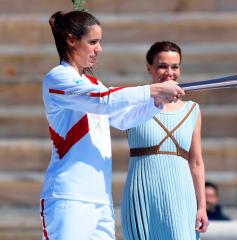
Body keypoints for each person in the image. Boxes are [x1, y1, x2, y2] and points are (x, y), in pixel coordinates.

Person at [40, 11, 184, 240]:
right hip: (69, 198)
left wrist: (156, 102)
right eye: (93, 42)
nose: (99, 49)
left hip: (101, 199)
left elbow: (124, 118)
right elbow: (104, 100)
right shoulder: (57, 78)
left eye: (100, 42)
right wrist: (154, 89)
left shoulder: (93, 83)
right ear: (70, 40)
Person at [121, 41, 208, 240]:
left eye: (175, 66)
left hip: (181, 196)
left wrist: (201, 207)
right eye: (162, 66)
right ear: (149, 67)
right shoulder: (135, 104)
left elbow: (196, 162)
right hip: (142, 194)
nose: (169, 72)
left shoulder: (192, 110)